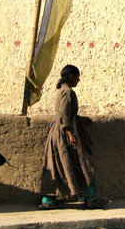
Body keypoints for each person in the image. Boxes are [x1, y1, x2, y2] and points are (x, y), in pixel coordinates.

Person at [39, 65, 109, 209]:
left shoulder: (61, 91)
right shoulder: (68, 92)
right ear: (71, 76)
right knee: (82, 165)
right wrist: (71, 134)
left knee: (58, 167)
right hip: (64, 135)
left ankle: (48, 200)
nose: (79, 79)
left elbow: (66, 113)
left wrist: (81, 119)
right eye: (77, 76)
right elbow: (64, 116)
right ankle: (91, 199)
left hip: (58, 133)